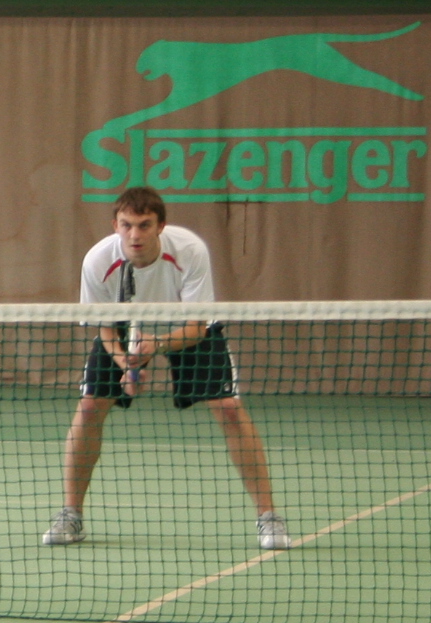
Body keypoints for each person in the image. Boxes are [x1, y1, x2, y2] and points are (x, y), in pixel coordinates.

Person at [43, 186, 291, 552]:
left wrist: (156, 345)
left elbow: (196, 327)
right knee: (90, 407)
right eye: (127, 225)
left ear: (161, 226)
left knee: (228, 409)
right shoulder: (98, 261)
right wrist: (124, 361)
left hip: (186, 327)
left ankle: (268, 516)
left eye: (144, 225)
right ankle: (71, 515)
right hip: (123, 327)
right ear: (115, 225)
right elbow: (105, 328)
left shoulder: (189, 250)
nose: (135, 234)